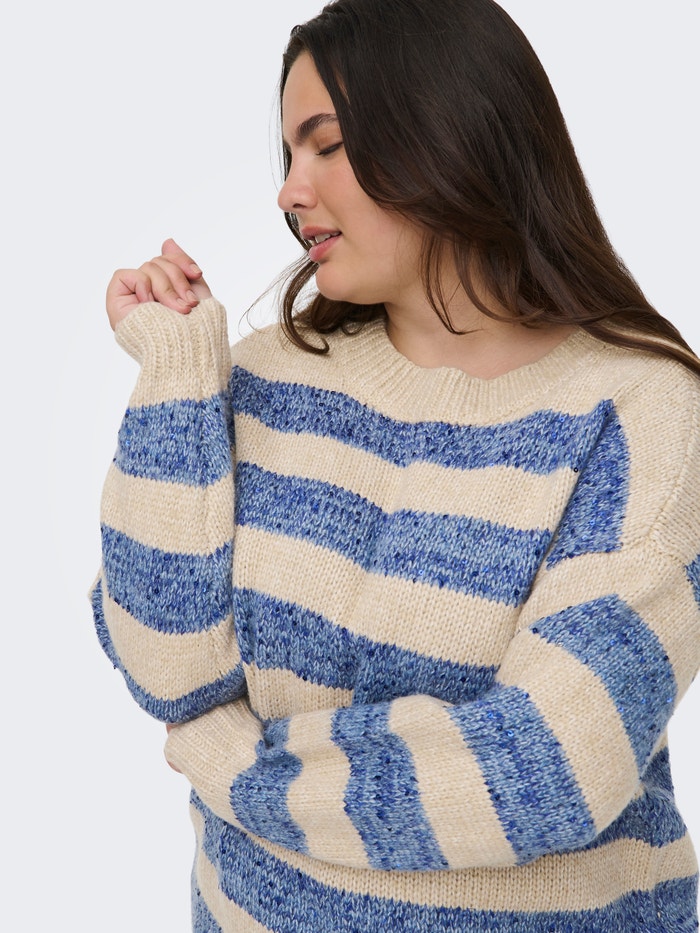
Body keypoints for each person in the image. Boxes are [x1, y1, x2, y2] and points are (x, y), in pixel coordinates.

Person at [92, 0, 700, 930]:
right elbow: (167, 667)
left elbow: (548, 767)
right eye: (288, 155)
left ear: (445, 132)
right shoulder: (265, 376)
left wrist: (237, 764)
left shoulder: (641, 412)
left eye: (326, 146)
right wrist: (177, 370)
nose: (290, 191)